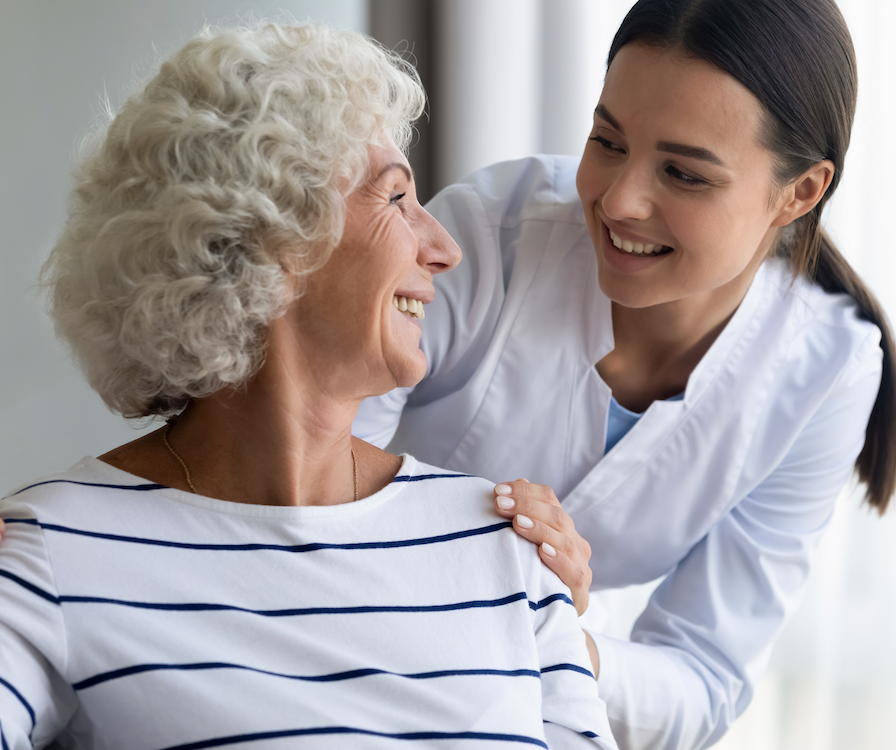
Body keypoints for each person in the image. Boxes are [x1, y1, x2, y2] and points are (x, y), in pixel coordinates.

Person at [0, 22, 614, 750]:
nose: (443, 247)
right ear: (271, 235)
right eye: (395, 199)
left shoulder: (505, 550)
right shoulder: (52, 555)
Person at [352, 0, 896, 748]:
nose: (618, 200)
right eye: (607, 140)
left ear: (799, 192)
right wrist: (502, 582)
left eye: (682, 173)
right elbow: (317, 495)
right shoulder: (485, 238)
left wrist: (553, 632)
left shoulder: (828, 372)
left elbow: (703, 679)